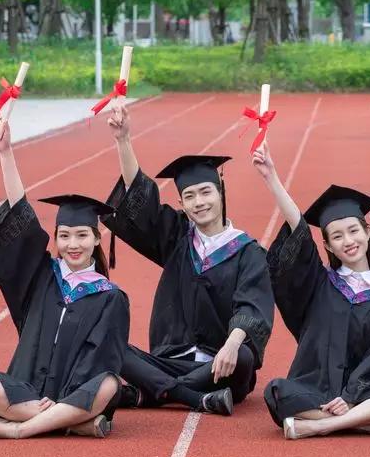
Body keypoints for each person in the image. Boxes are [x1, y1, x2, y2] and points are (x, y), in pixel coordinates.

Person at [101, 105, 274, 416]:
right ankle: (191, 396)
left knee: (244, 357)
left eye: (206, 192)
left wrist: (232, 344)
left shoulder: (248, 251)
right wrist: (123, 139)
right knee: (108, 342)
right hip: (173, 356)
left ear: (221, 192)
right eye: (190, 196)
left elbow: (253, 307)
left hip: (222, 364)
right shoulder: (179, 238)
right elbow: (142, 205)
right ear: (180, 202)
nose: (199, 202)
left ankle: (154, 391)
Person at [253, 142, 370, 440]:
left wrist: (350, 396)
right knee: (278, 391)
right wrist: (272, 178)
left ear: (367, 232)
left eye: (353, 230)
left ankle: (321, 425)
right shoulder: (320, 285)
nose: (348, 240)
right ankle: (368, 422)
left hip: (363, 393)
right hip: (315, 389)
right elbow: (299, 235)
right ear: (327, 246)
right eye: (337, 235)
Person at [0, 120, 129, 440]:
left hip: (76, 393)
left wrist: (68, 395)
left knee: (109, 385)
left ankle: (17, 430)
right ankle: (71, 423)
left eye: (82, 235)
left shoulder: (110, 297)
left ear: (98, 239)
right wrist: (5, 153)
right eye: (65, 235)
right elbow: (21, 216)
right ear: (55, 238)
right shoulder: (43, 276)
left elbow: (101, 359)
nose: (73, 244)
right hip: (31, 389)